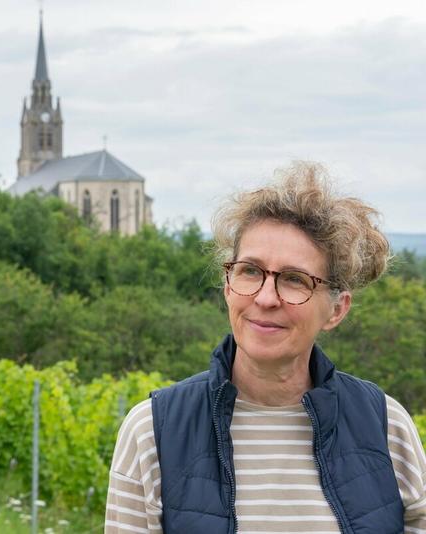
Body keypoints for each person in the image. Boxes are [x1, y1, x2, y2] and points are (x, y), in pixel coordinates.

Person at [105, 163, 426, 533]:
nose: (266, 297)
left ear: (337, 310)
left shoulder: (387, 428)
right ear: (228, 286)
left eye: (294, 279)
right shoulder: (152, 433)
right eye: (250, 271)